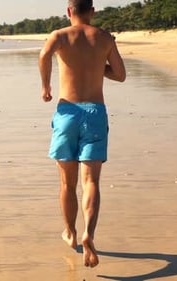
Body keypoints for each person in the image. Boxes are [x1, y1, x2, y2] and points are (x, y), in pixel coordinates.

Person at [38, 0, 126, 268]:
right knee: (92, 182)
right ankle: (89, 232)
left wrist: (46, 87)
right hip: (95, 112)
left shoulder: (60, 36)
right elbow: (121, 75)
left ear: (69, 12)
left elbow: (43, 56)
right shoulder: (105, 38)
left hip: (67, 113)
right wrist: (98, 68)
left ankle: (71, 232)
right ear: (92, 11)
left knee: (67, 183)